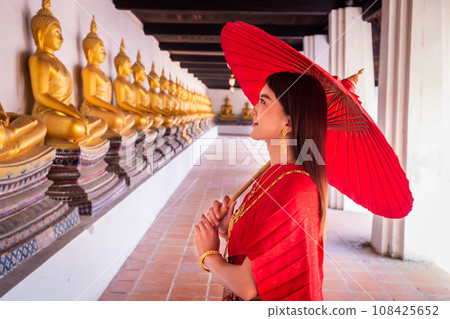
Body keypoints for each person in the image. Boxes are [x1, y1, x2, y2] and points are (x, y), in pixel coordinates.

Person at [194, 72, 328, 301]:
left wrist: (208, 254)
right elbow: (267, 253)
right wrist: (230, 231)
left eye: (264, 101)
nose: (253, 109)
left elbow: (249, 287)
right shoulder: (274, 174)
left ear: (289, 120)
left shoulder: (295, 186)